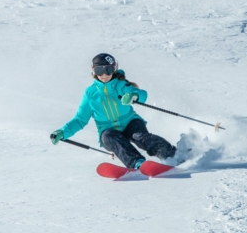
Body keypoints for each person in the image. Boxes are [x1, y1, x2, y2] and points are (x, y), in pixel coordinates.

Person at [51, 53, 179, 169]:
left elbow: (141, 94)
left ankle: (171, 154)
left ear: (114, 69)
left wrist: (133, 96)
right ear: (93, 70)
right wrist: (63, 132)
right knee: (110, 138)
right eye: (100, 70)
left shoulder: (121, 85)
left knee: (140, 137)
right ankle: (137, 163)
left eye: (108, 70)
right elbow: (80, 120)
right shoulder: (90, 93)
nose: (104, 75)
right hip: (108, 131)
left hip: (130, 122)